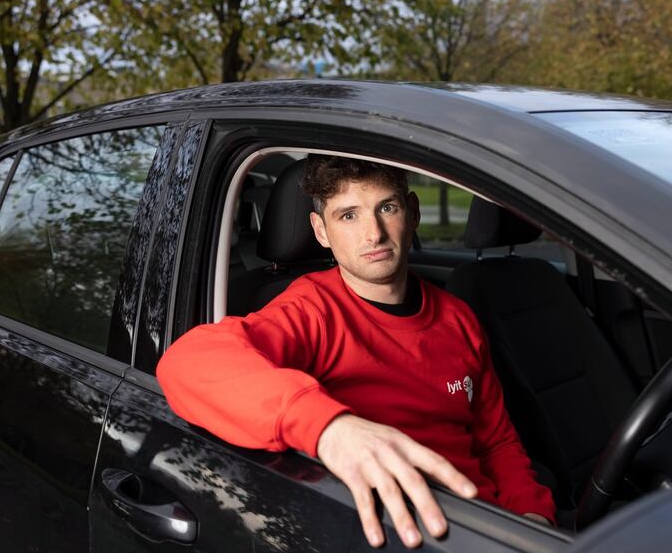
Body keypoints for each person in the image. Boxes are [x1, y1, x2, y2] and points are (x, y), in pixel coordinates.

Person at [157, 155, 555, 548]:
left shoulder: (457, 316)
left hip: (488, 527)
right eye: (349, 215)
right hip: (392, 530)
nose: (374, 233)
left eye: (387, 207)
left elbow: (496, 442)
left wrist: (532, 517)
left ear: (412, 212)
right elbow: (187, 362)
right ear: (321, 230)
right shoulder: (311, 310)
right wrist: (330, 428)